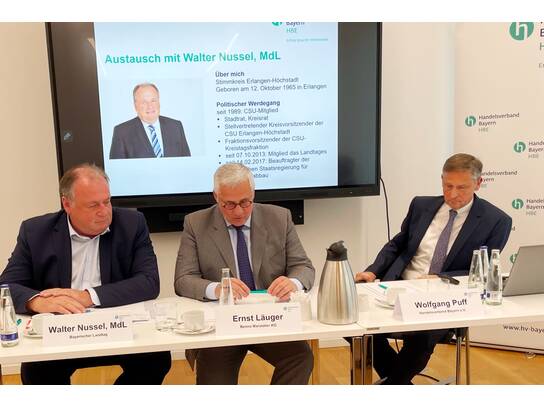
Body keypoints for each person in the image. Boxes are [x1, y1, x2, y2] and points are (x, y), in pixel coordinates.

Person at [0, 163, 171, 384]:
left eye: (107, 201)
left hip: (115, 327)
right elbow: (6, 287)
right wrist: (38, 302)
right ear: (67, 204)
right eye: (93, 205)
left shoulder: (132, 223)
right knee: (37, 372)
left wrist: (88, 296)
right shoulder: (36, 231)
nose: (104, 211)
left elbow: (149, 282)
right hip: (62, 331)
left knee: (156, 359)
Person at [355, 153, 512, 385]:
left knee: (423, 336)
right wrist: (373, 271)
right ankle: (398, 383)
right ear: (441, 180)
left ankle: (393, 384)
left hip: (446, 299)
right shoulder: (421, 205)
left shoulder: (496, 220)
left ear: (478, 183)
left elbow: (481, 270)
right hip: (399, 287)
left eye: (462, 187)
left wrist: (439, 278)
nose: (453, 194)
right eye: (448, 186)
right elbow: (397, 244)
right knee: (351, 322)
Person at [174, 162, 315, 384]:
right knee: (215, 382)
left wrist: (293, 283)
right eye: (229, 204)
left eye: (245, 202)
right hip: (222, 323)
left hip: (269, 318)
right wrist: (217, 289)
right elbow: (183, 279)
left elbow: (304, 267)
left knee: (301, 358)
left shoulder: (279, 217)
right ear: (216, 197)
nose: (239, 211)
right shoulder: (196, 223)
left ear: (253, 194)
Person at [109, 83, 191, 159]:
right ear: (135, 106)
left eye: (153, 100)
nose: (150, 106)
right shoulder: (122, 132)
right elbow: (116, 167)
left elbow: (187, 162)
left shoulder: (176, 127)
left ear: (159, 102)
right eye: (144, 102)